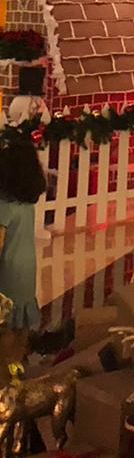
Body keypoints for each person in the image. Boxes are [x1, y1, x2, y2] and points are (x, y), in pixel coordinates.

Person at [0, 140, 46, 367]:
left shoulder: (5, 205)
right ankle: (17, 365)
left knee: (5, 323)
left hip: (8, 269)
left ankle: (4, 369)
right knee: (21, 322)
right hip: (27, 266)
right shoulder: (27, 203)